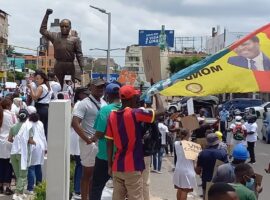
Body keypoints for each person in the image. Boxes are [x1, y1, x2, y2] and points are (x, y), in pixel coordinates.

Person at [106, 85, 165, 200]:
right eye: (135, 97)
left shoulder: (112, 115)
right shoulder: (135, 113)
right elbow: (161, 111)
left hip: (117, 166)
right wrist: (157, 93)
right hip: (132, 167)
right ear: (131, 99)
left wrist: (109, 165)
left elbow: (109, 142)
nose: (137, 99)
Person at [72, 78, 106, 200]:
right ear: (91, 87)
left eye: (102, 87)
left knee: (96, 176)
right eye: (98, 87)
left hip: (101, 143)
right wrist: (87, 140)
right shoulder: (84, 103)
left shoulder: (104, 103)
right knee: (87, 174)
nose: (101, 89)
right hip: (89, 144)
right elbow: (75, 123)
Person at [90, 83, 121, 200]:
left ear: (107, 96)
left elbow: (100, 133)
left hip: (104, 155)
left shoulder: (105, 110)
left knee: (96, 186)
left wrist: (92, 138)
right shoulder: (127, 109)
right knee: (122, 188)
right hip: (122, 155)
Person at [40, 9, 84, 87]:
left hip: (70, 65)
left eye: (66, 26)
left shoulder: (75, 39)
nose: (64, 28)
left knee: (71, 85)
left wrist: (82, 68)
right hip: (58, 64)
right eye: (62, 26)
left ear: (70, 27)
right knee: (58, 85)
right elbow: (42, 30)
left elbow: (79, 54)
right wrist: (47, 15)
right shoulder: (55, 36)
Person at [9, 109, 35, 200]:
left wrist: (17, 142)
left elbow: (9, 139)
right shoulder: (28, 127)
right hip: (23, 153)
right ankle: (16, 194)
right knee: (23, 175)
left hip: (14, 153)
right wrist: (35, 143)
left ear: (18, 117)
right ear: (27, 117)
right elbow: (30, 141)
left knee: (18, 174)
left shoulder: (13, 127)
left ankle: (21, 192)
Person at [70, 87, 90, 200]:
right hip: (79, 138)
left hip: (79, 138)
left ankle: (78, 189)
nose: (88, 96)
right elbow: (77, 123)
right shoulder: (80, 105)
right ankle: (77, 189)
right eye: (85, 94)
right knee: (80, 165)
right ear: (80, 95)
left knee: (80, 165)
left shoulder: (80, 104)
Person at [195, 133, 228, 198]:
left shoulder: (202, 153)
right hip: (219, 182)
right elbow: (226, 169)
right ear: (217, 143)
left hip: (206, 181)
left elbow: (197, 171)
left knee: (206, 197)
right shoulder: (223, 153)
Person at [26, 106, 47, 194]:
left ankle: (30, 188)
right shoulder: (40, 123)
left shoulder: (27, 123)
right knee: (38, 166)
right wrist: (46, 147)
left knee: (31, 167)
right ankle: (39, 186)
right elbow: (43, 136)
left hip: (32, 146)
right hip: (40, 146)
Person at [27, 70, 52, 138]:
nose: (36, 80)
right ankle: (44, 143)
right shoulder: (47, 86)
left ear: (42, 79)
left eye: (38, 79)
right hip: (46, 108)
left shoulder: (40, 87)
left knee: (40, 127)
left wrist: (31, 88)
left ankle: (41, 144)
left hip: (41, 109)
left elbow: (35, 98)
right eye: (36, 79)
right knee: (44, 127)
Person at [173, 129, 197, 200]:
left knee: (179, 189)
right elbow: (194, 159)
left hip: (178, 169)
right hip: (187, 170)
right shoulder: (191, 146)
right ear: (188, 135)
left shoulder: (176, 143)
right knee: (185, 191)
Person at [0, 98, 17, 195]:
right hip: (8, 141)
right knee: (8, 165)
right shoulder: (11, 115)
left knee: (1, 163)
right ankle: (6, 186)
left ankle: (0, 185)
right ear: (8, 106)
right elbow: (14, 127)